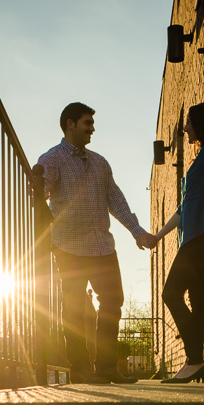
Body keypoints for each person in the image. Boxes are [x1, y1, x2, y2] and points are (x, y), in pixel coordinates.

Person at [37, 102, 155, 384]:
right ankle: (80, 369)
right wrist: (39, 190)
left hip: (102, 246)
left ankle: (105, 367)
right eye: (87, 123)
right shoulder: (52, 159)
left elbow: (115, 198)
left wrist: (136, 231)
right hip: (68, 246)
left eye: (92, 123)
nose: (92, 129)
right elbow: (41, 192)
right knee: (75, 306)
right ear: (70, 124)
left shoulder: (100, 162)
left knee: (113, 302)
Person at [152, 103, 204, 383]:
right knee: (197, 300)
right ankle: (194, 360)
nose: (185, 128)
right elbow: (183, 208)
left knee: (170, 294)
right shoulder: (200, 157)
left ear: (200, 124)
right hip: (192, 237)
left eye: (188, 123)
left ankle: (194, 359)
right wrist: (157, 237)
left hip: (202, 237)